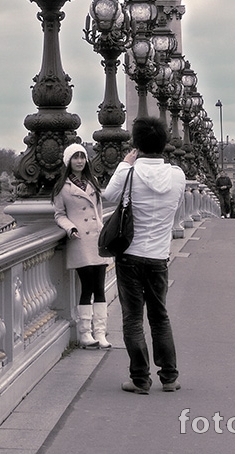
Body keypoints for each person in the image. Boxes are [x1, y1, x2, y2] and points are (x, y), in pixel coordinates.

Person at [104, 117, 185, 394]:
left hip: (129, 255)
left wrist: (126, 162)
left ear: (136, 144)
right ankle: (170, 376)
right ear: (164, 144)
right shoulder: (177, 175)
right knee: (160, 316)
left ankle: (140, 379)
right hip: (159, 256)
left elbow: (109, 196)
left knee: (132, 318)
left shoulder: (129, 173)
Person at [52, 143, 111, 349]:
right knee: (87, 288)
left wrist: (103, 229)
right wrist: (70, 228)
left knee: (100, 288)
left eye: (82, 157)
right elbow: (59, 214)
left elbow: (99, 211)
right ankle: (85, 333)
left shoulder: (92, 182)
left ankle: (101, 332)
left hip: (97, 240)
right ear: (69, 162)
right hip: (79, 241)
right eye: (75, 157)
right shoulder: (63, 188)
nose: (79, 161)